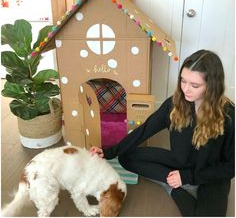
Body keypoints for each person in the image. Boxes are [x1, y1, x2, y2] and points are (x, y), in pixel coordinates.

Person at [90, 50, 235, 217]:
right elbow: (144, 130)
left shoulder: (229, 116)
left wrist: (189, 177)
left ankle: (174, 184)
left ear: (212, 86)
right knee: (126, 157)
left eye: (194, 85)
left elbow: (231, 167)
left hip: (209, 175)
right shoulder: (174, 104)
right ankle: (172, 183)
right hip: (179, 163)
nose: (186, 89)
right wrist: (109, 151)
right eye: (183, 81)